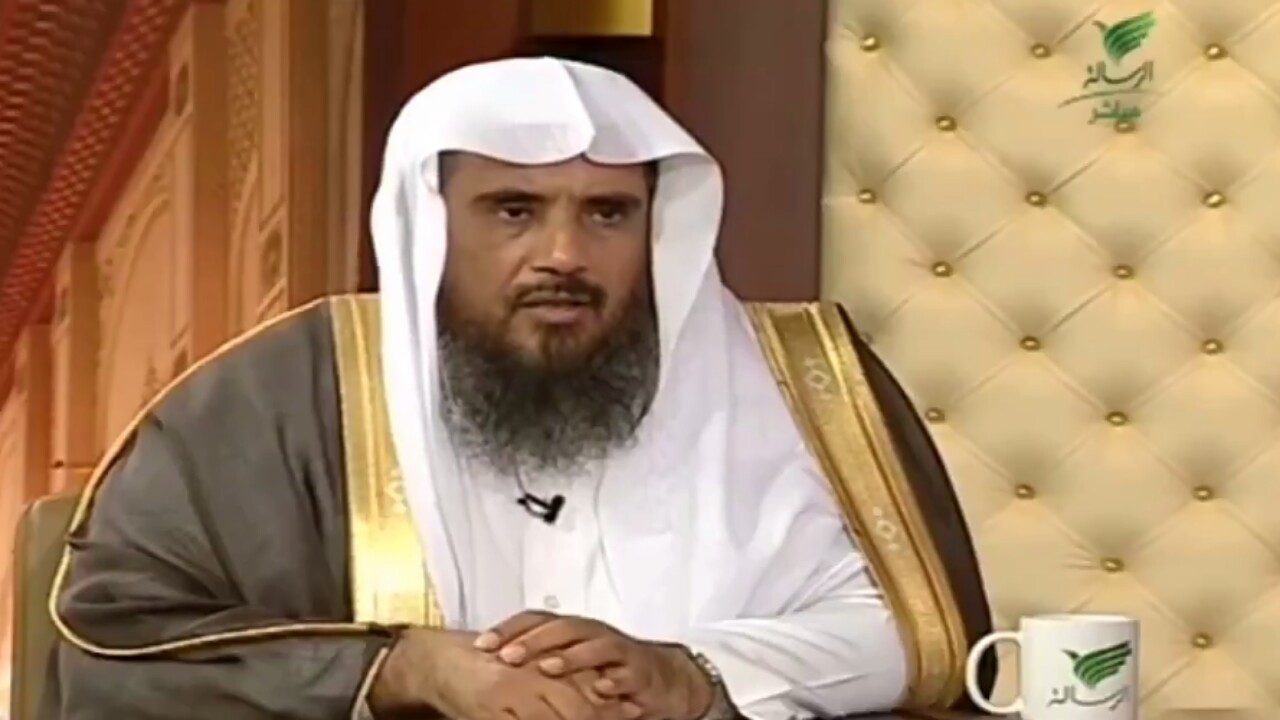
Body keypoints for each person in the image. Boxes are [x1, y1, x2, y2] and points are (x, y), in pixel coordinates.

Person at [50, 57, 915, 720]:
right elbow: (114, 643)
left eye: (607, 213)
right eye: (514, 210)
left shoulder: (786, 387)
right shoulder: (276, 398)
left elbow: (912, 629)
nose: (564, 255)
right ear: (431, 223)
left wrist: (694, 672)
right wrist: (399, 668)